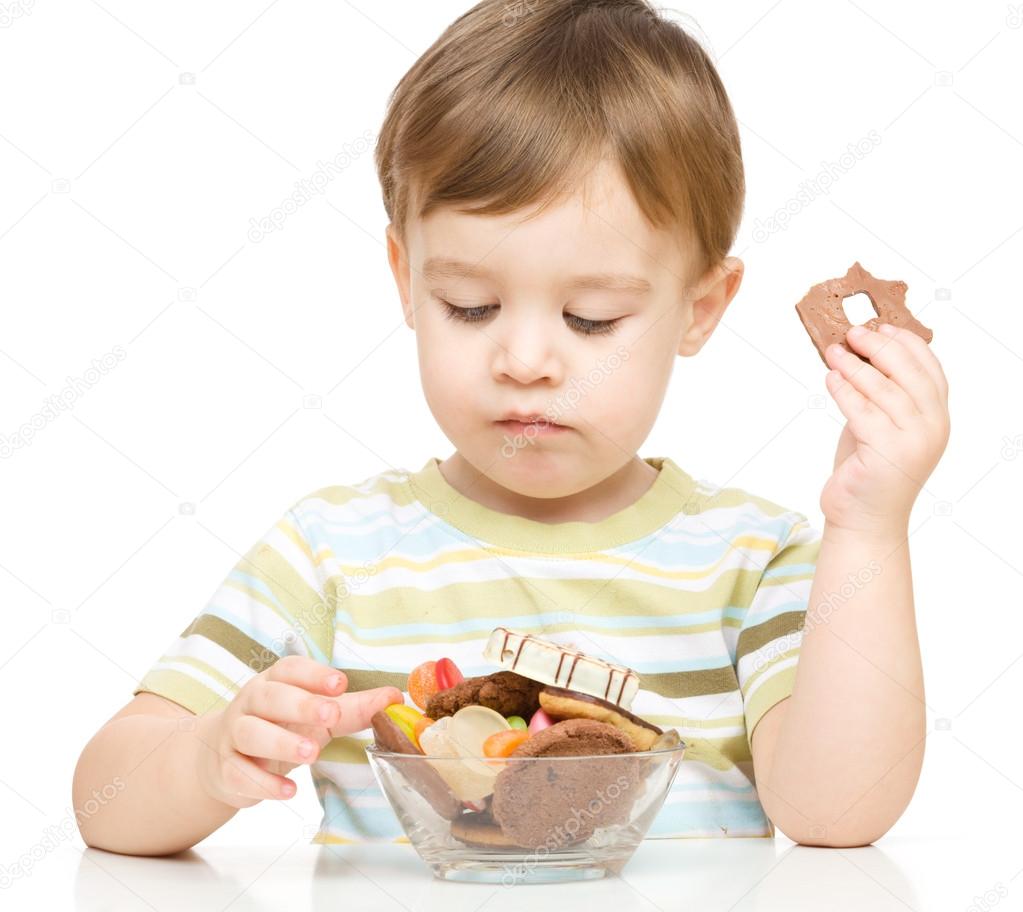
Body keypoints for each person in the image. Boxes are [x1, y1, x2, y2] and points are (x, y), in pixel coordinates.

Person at [73, 0, 949, 855]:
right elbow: (104, 801)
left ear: (699, 307)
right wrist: (206, 756)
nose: (524, 358)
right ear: (406, 278)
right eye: (472, 305)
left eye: (592, 318)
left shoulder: (755, 564)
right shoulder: (332, 553)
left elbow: (838, 814)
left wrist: (869, 529)